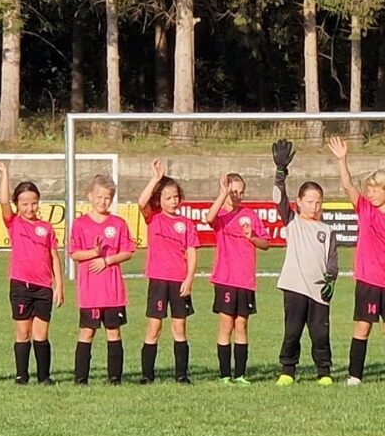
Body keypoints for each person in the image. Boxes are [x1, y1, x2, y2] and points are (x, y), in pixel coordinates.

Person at [328, 136, 385, 387]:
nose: (370, 193)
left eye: (375, 189)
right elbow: (347, 186)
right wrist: (342, 159)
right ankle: (355, 375)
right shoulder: (365, 210)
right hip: (368, 280)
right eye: (368, 190)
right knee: (362, 327)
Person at [272, 139, 338, 386]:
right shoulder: (292, 221)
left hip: (319, 289)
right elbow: (278, 197)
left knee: (320, 333)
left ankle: (324, 372)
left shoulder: (327, 230)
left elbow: (332, 260)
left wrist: (331, 279)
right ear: (299, 202)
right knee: (292, 331)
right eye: (309, 201)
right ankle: (288, 370)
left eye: (318, 202)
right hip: (294, 287)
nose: (314, 206)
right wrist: (280, 172)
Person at [0, 161, 63, 385]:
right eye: (24, 204)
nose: (30, 208)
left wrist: (58, 286)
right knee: (23, 333)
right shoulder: (13, 223)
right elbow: (3, 201)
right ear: (17, 204)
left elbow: (54, 257)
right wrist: (5, 173)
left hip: (43, 288)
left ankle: (44, 377)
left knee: (41, 334)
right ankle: (22, 376)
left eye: (33, 203)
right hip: (21, 286)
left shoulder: (47, 228)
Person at [137, 159, 199, 384]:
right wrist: (155, 179)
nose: (174, 201)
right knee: (154, 327)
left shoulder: (186, 224)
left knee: (179, 327)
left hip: (179, 281)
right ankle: (147, 375)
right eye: (168, 198)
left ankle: (181, 375)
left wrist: (189, 279)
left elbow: (192, 253)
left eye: (176, 197)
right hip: (158, 280)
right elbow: (141, 202)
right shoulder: (153, 217)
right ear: (159, 200)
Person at [69, 174, 135, 384]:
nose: (102, 202)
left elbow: (128, 251)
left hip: (113, 291)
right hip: (90, 291)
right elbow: (74, 253)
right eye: (98, 197)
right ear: (90, 196)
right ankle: (81, 378)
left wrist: (107, 260)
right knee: (87, 332)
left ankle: (115, 378)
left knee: (113, 332)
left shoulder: (118, 223)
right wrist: (94, 253)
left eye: (107, 198)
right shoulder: (80, 224)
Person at [206, 172, 271, 385]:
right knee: (226, 325)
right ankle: (225, 374)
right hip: (225, 279)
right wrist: (222, 193)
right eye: (233, 191)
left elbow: (266, 243)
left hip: (245, 280)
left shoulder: (250, 216)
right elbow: (208, 218)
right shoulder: (221, 216)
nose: (237, 196)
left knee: (242, 325)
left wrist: (251, 237)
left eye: (241, 192)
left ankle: (240, 374)